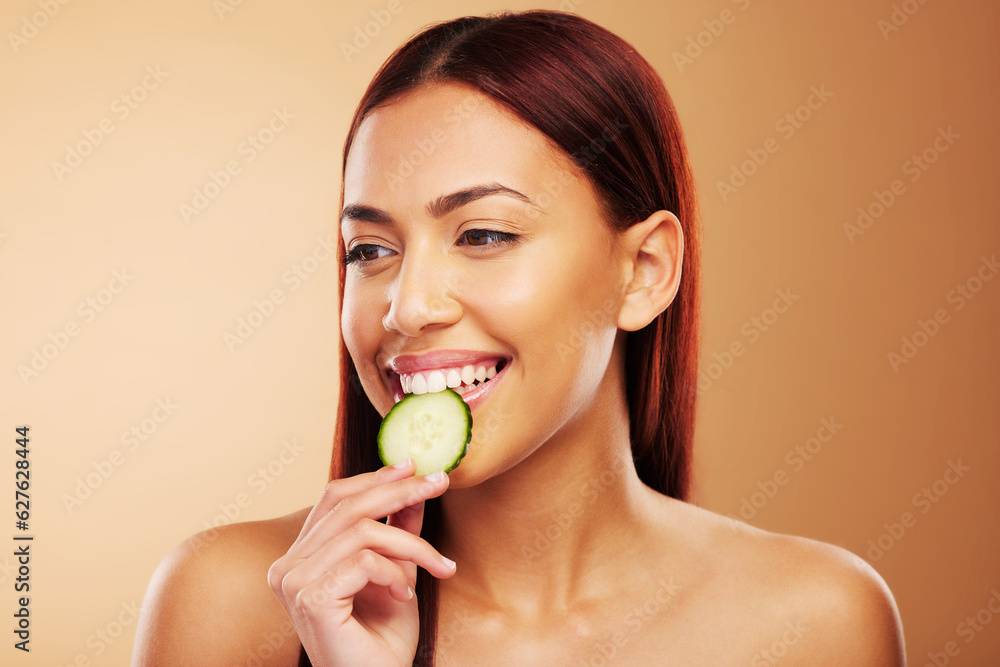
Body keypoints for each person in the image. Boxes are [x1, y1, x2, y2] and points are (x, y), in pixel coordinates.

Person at [132, 10, 906, 666]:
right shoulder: (229, 603)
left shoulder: (815, 621)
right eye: (370, 249)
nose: (407, 306)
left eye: (484, 234)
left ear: (643, 270)